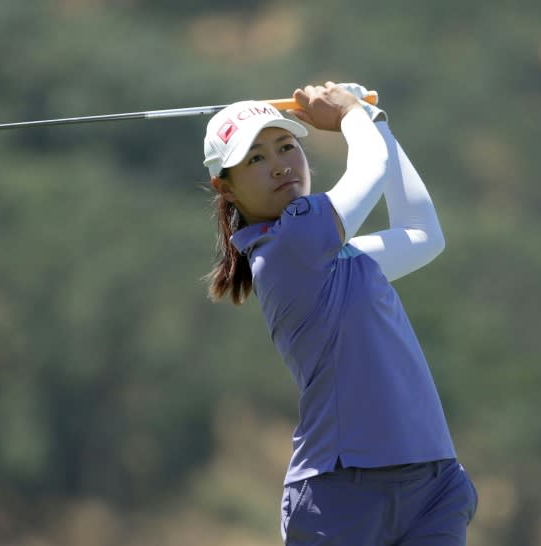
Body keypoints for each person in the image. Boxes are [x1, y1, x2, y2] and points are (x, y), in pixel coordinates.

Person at [202, 82, 478, 545]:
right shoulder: (288, 245)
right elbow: (370, 170)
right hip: (341, 491)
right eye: (256, 158)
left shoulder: (338, 255)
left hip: (432, 481)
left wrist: (376, 122)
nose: (280, 165)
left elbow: (422, 234)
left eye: (286, 146)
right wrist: (352, 115)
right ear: (225, 188)